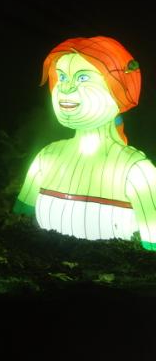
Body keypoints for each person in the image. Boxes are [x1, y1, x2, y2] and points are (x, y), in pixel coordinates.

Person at [15, 36, 156, 250]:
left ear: (119, 89)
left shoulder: (137, 171)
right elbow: (17, 223)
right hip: (45, 264)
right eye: (62, 77)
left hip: (108, 269)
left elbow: (152, 244)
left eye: (83, 78)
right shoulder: (47, 158)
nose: (66, 88)